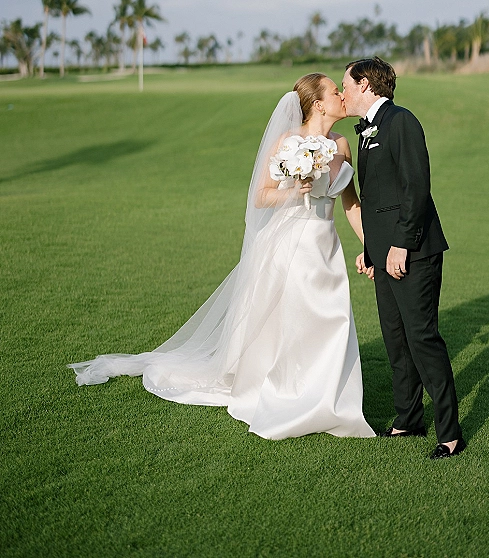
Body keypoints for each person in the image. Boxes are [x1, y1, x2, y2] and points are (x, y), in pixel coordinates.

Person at [69, 74, 374, 440]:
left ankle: (326, 397)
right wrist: (296, 190)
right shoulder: (287, 142)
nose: (343, 95)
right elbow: (261, 195)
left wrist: (369, 247)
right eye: (336, 90)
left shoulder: (341, 143)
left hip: (325, 245)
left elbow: (351, 202)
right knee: (291, 321)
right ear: (319, 104)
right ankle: (285, 391)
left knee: (330, 318)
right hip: (290, 245)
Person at [341, 57, 465, 459]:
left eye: (346, 84)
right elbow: (378, 199)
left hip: (414, 251)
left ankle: (449, 434)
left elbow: (415, 188)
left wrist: (401, 245)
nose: (342, 93)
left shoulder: (402, 121)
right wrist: (371, 250)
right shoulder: (365, 132)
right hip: (385, 253)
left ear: (364, 85)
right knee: (396, 342)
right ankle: (407, 419)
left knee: (422, 338)